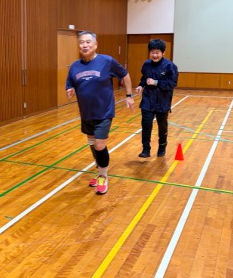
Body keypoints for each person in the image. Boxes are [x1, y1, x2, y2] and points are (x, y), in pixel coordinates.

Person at [66, 31, 134, 195]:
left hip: (104, 112)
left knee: (99, 144)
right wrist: (70, 89)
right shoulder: (75, 66)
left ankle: (103, 176)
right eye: (82, 42)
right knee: (92, 143)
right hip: (86, 113)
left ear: (95, 45)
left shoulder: (107, 61)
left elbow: (124, 75)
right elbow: (70, 83)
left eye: (88, 42)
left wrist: (129, 95)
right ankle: (99, 170)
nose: (84, 45)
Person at [135, 39, 178, 158]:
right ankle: (146, 149)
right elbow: (144, 77)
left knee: (162, 126)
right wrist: (141, 85)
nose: (154, 55)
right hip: (147, 100)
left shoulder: (170, 66)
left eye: (157, 52)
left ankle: (162, 146)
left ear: (163, 52)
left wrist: (156, 82)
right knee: (146, 125)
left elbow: (172, 83)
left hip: (162, 101)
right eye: (152, 52)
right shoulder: (146, 64)